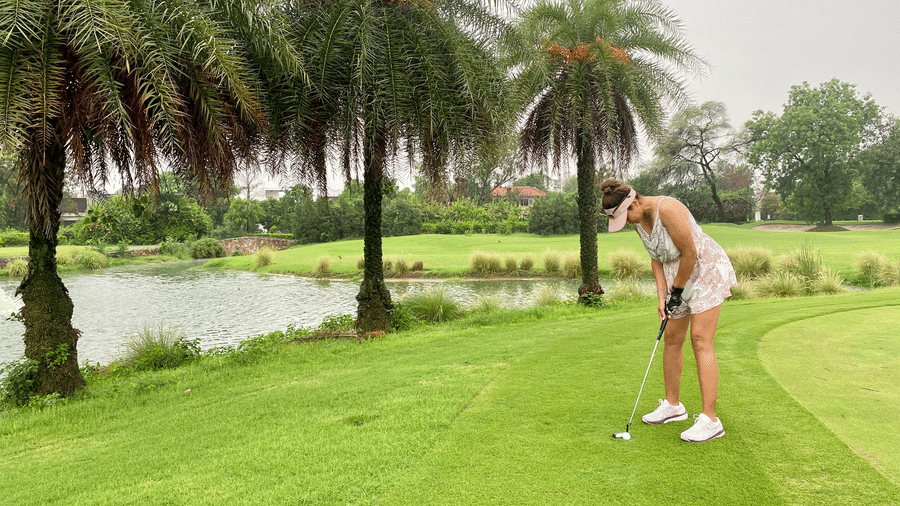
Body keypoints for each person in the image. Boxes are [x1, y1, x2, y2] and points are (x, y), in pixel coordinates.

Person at [601, 179, 737, 442]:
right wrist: (662, 296)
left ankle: (711, 420)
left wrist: (676, 291)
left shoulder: (669, 209)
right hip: (676, 276)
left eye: (627, 214)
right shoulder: (638, 220)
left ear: (635, 201)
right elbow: (656, 257)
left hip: (704, 270)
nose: (628, 221)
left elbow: (690, 253)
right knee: (672, 338)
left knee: (700, 340)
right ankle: (673, 407)